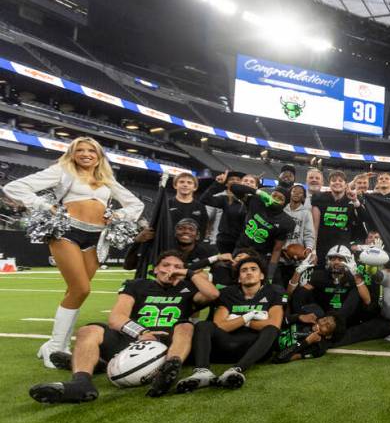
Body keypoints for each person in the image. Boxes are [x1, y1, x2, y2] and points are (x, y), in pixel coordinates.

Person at [3, 137, 144, 367]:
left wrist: (118, 215)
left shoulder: (107, 179)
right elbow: (14, 187)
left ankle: (55, 346)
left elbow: (135, 205)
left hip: (97, 237)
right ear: (73, 153)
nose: (86, 154)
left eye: (91, 150)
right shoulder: (62, 170)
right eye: (80, 150)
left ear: (99, 156)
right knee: (81, 288)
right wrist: (44, 205)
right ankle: (57, 347)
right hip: (66, 231)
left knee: (76, 292)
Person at [28, 250, 219, 403]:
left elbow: (213, 295)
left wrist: (189, 273)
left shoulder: (188, 288)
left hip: (169, 343)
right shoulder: (136, 285)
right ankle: (81, 383)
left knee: (186, 326)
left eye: (177, 266)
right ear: (155, 269)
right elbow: (116, 317)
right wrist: (142, 333)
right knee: (88, 330)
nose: (171, 269)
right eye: (166, 265)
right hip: (134, 338)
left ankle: (169, 370)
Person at [176, 256, 287, 391]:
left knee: (271, 330)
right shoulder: (229, 293)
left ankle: (236, 370)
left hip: (253, 348)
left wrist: (240, 320)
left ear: (262, 275)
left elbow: (273, 324)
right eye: (244, 270)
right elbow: (220, 325)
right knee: (203, 325)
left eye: (253, 269)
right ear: (239, 278)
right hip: (225, 345)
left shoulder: (273, 293)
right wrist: (249, 316)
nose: (249, 272)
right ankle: (202, 371)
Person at [311, 170, 363, 262]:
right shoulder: (320, 198)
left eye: (340, 180)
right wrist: (313, 250)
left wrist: (355, 201)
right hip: (322, 247)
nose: (337, 182)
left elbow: (364, 219)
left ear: (346, 184)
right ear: (329, 184)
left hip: (344, 249)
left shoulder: (353, 199)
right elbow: (315, 227)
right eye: (334, 180)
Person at [201, 170, 246, 254]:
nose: (235, 181)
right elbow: (207, 216)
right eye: (231, 179)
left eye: (238, 179)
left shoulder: (249, 200)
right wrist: (217, 184)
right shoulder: (222, 198)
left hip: (241, 243)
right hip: (221, 241)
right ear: (226, 183)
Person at [281, 183, 315, 283]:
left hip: (297, 257)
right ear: (289, 194)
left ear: (303, 197)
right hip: (280, 255)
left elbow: (309, 234)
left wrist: (308, 248)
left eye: (300, 192)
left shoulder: (306, 212)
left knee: (294, 285)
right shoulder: (282, 210)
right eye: (294, 191)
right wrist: (282, 249)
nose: (296, 193)